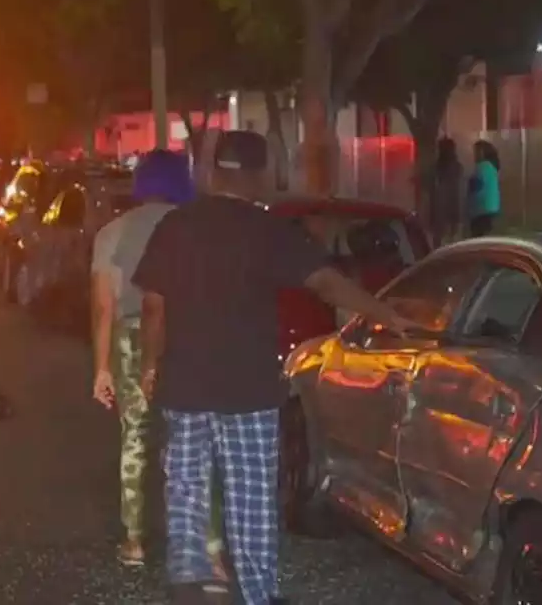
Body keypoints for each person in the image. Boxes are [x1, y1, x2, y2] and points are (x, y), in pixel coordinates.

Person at [132, 130, 414, 605]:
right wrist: (386, 314)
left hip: (183, 389)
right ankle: (257, 595)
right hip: (249, 392)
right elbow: (325, 283)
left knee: (186, 493)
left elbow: (154, 308)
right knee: (251, 502)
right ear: (259, 175)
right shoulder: (267, 231)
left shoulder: (175, 226)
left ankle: (187, 588)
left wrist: (148, 366)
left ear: (214, 171)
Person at [90, 149, 230, 573]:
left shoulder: (113, 233)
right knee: (194, 439)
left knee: (135, 436)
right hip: (188, 336)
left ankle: (134, 541)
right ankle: (210, 548)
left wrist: (102, 367)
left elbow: (103, 307)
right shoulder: (199, 229)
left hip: (132, 337)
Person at [429, 137, 463, 246]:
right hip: (453, 203)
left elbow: (434, 188)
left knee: (438, 238)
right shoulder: (457, 167)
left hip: (440, 206)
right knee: (452, 239)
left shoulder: (437, 168)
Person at [467, 139, 501, 237]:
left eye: (476, 152)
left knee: (477, 239)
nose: (474, 155)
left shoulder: (481, 167)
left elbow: (475, 186)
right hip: (491, 208)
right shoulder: (492, 167)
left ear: (482, 153)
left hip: (480, 209)